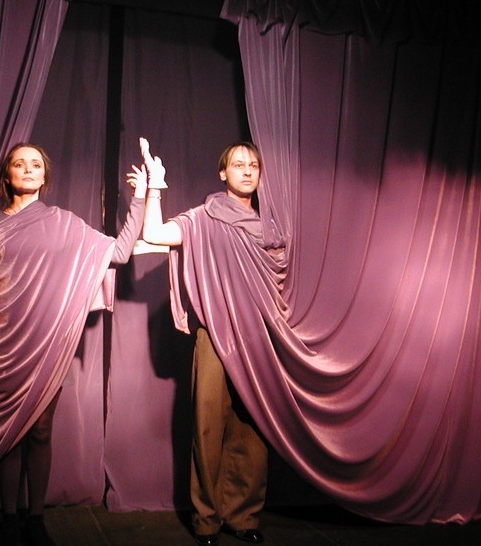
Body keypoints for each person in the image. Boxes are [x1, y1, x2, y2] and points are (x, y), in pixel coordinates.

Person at [0, 142, 148, 546]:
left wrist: (139, 197)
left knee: (41, 430)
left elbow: (119, 253)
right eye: (20, 164)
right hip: (3, 343)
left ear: (44, 176)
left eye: (36, 164)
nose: (28, 169)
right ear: (7, 175)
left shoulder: (64, 224)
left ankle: (35, 519)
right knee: (10, 434)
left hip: (49, 342)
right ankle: (9, 520)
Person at [135, 138, 274, 545]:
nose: (247, 171)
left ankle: (243, 516)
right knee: (208, 425)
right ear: (222, 173)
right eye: (238, 164)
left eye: (253, 165)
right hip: (215, 335)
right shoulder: (204, 217)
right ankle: (207, 519)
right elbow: (154, 234)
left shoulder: (270, 225)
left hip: (258, 339)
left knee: (253, 428)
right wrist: (155, 186)